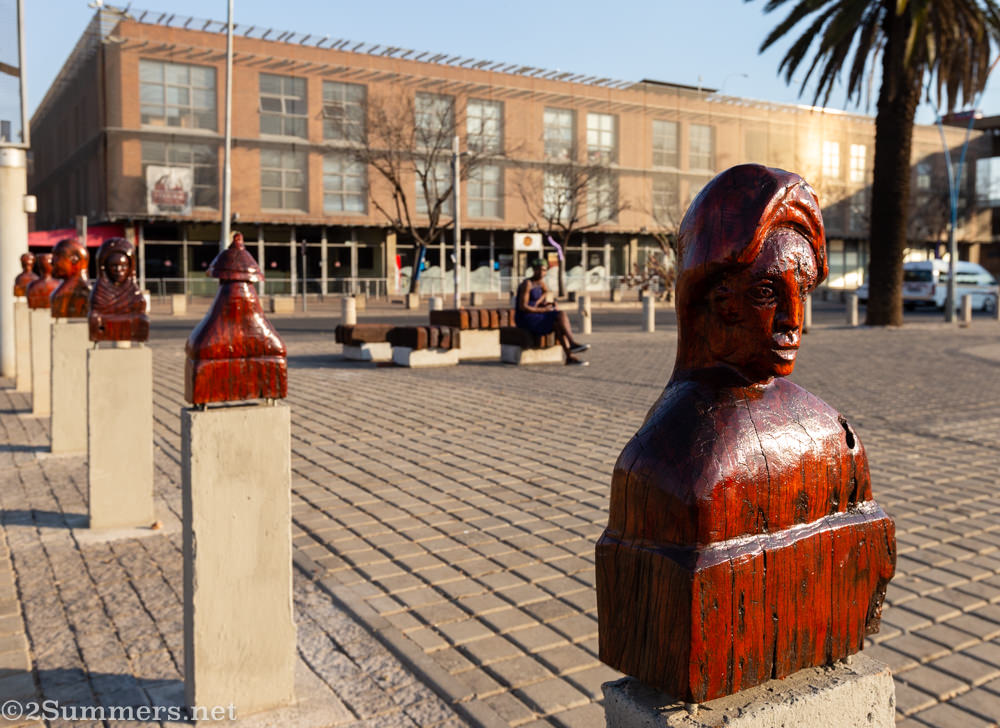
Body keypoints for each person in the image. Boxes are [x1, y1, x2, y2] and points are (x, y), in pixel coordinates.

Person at [515, 257, 589, 365]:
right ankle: (572, 344)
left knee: (558, 324)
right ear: (534, 270)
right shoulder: (527, 284)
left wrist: (544, 303)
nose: (541, 272)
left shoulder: (541, 283)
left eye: (544, 270)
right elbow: (523, 307)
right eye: (539, 269)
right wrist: (543, 309)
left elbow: (545, 292)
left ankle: (569, 357)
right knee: (560, 315)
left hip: (536, 314)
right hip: (526, 318)